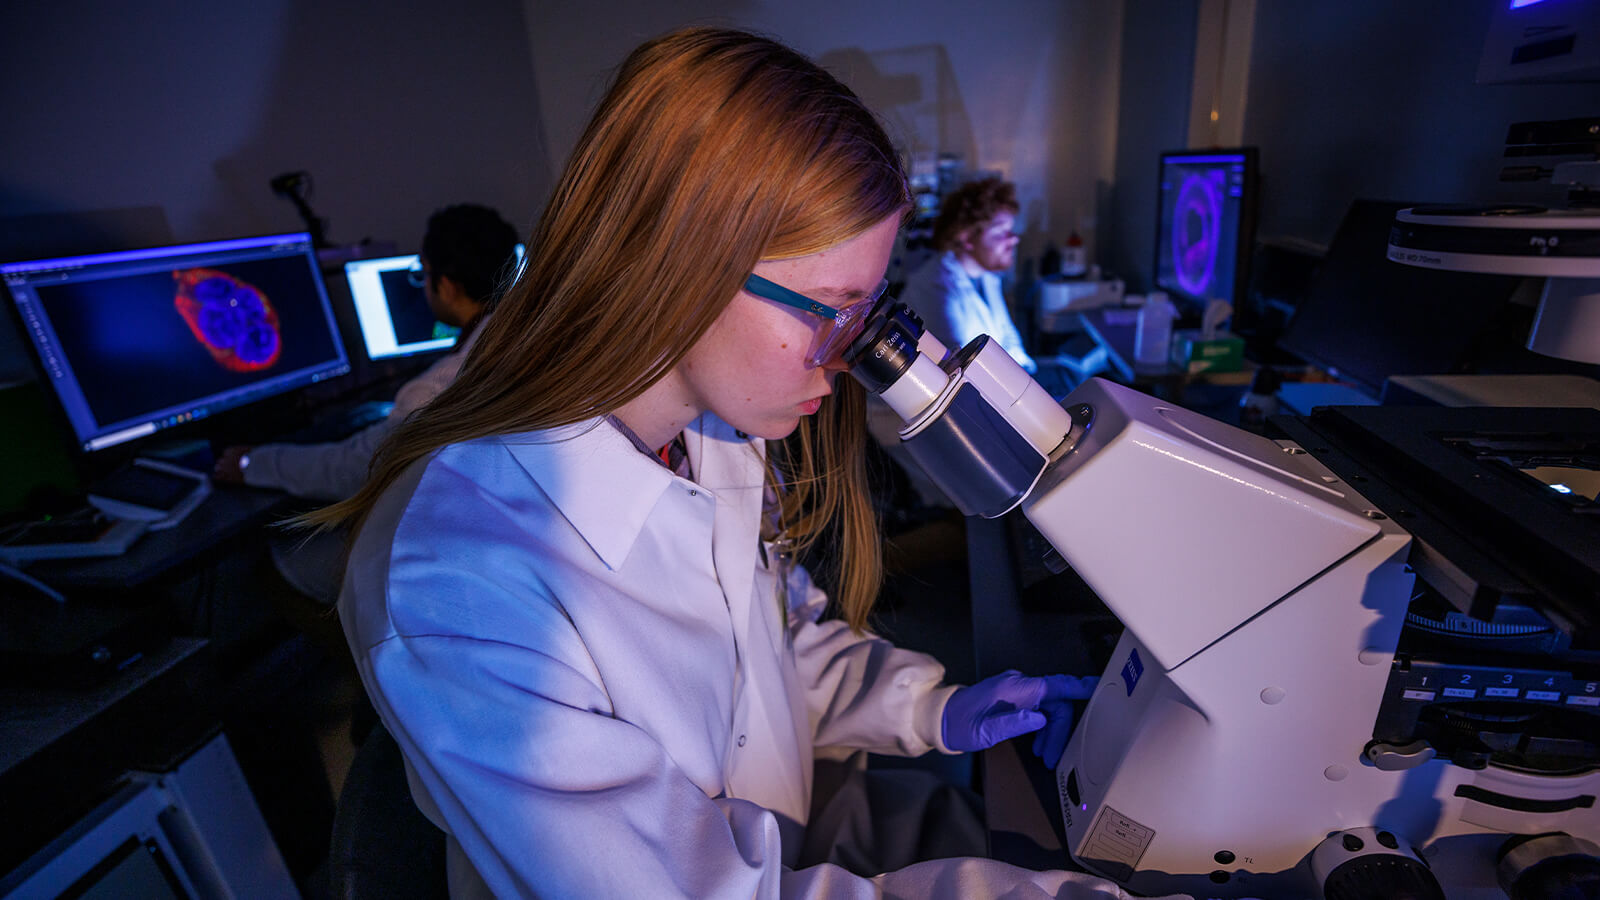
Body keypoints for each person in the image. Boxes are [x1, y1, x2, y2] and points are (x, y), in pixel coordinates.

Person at [312, 29, 1167, 900]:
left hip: (791, 814)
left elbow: (772, 641)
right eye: (836, 311)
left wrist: (932, 708)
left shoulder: (712, 430)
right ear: (681, 259)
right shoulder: (459, 585)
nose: (847, 359)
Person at [213, 203, 520, 603]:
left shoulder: (435, 388)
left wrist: (253, 462)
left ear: (447, 286)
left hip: (459, 557)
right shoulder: (527, 339)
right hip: (507, 537)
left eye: (423, 274)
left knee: (283, 556)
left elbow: (357, 469)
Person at [900, 177, 1036, 373]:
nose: (1014, 239)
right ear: (965, 237)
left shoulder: (988, 278)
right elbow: (958, 365)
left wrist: (1025, 373)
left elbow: (1008, 338)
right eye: (1000, 232)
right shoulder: (934, 286)